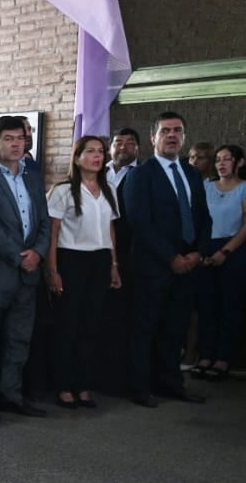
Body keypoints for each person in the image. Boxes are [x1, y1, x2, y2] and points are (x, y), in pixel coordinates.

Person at [123, 112, 212, 407]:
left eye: (177, 131)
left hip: (188, 266)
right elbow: (139, 222)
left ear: (184, 138)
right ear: (153, 138)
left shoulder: (192, 174)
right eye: (165, 131)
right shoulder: (141, 174)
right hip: (153, 266)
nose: (172, 135)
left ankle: (171, 384)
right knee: (145, 329)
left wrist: (198, 252)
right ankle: (139, 387)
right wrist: (171, 257)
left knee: (175, 328)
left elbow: (203, 218)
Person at [0, 116, 51, 422]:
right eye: (9, 139)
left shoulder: (32, 176)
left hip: (28, 272)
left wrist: (38, 252)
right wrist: (20, 257)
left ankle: (11, 394)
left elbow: (44, 221)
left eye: (21, 138)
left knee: (19, 338)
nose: (17, 144)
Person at [45, 136, 121, 409]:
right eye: (90, 151)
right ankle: (63, 385)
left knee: (91, 324)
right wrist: (52, 270)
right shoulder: (63, 190)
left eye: (101, 152)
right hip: (71, 259)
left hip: (99, 260)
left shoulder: (109, 188)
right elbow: (52, 232)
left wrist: (114, 264)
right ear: (77, 158)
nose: (97, 156)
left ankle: (83, 384)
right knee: (68, 325)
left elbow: (110, 229)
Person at [192, 144, 246, 380]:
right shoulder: (206, 186)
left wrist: (225, 251)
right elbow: (198, 219)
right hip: (205, 247)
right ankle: (205, 355)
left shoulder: (243, 188)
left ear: (239, 162)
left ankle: (223, 358)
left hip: (233, 249)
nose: (221, 164)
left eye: (227, 159)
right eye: (218, 160)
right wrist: (200, 250)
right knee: (206, 306)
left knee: (229, 306)